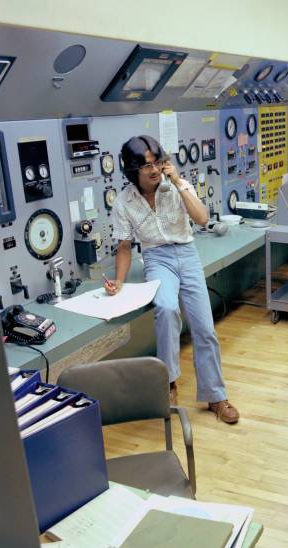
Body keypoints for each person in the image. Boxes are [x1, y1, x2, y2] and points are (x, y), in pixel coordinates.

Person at [104, 135, 239, 424]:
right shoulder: (124, 203)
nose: (153, 170)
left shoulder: (176, 186)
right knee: (165, 309)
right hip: (156, 258)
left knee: (205, 327)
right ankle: (169, 384)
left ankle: (216, 396)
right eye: (145, 166)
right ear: (132, 170)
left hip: (187, 253)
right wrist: (118, 281)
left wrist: (178, 182)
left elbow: (202, 218)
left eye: (157, 162)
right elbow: (125, 247)